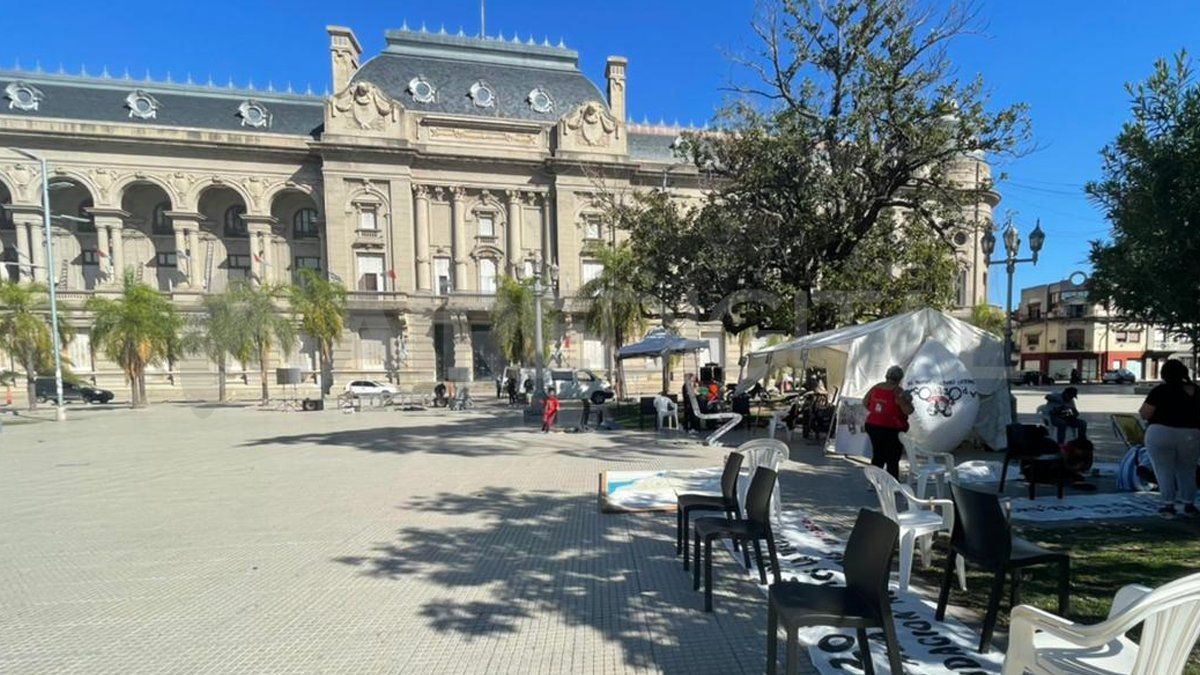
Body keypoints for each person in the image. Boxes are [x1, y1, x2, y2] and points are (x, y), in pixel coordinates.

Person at [1139, 359, 1200, 518]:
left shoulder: (1160, 390)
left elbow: (1145, 413)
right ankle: (1189, 505)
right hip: (1191, 434)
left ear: (1164, 374)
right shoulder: (1196, 390)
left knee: (1163, 469)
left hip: (1160, 432)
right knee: (1188, 470)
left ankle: (1168, 505)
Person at [864, 365, 914, 479]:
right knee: (893, 457)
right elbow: (908, 410)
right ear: (900, 379)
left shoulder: (876, 387)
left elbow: (865, 402)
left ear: (886, 376)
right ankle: (892, 483)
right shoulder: (898, 391)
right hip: (892, 427)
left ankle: (874, 481)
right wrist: (908, 400)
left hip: (873, 425)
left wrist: (877, 412)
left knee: (878, 454)